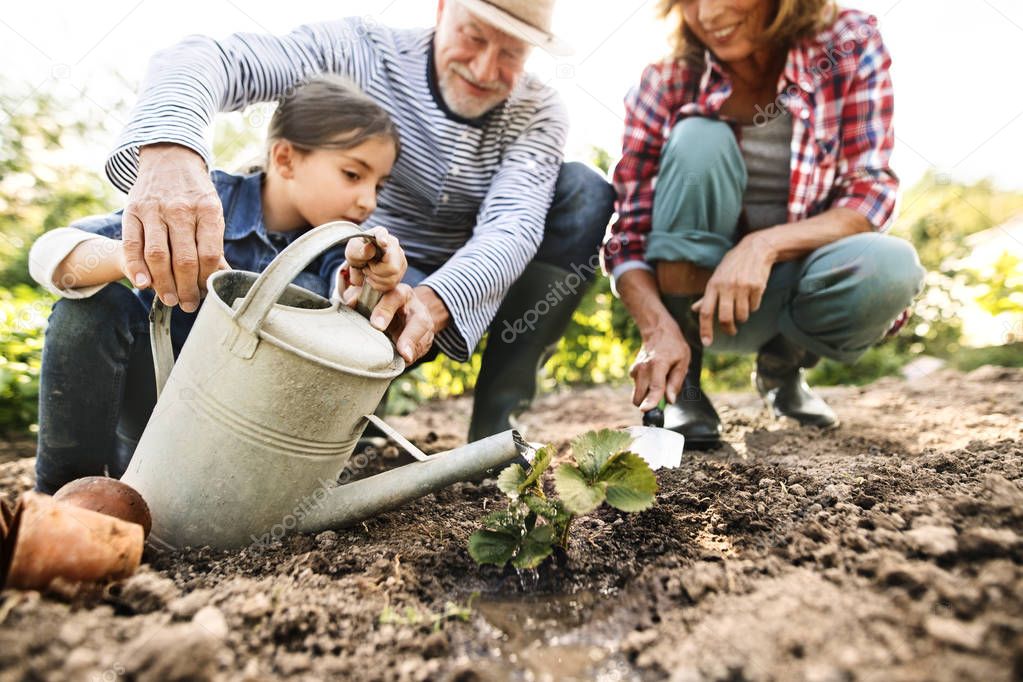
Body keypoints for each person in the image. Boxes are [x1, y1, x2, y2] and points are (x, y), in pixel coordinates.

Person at [103, 0, 617, 442]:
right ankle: (349, 396)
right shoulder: (360, 52)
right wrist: (171, 151)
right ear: (442, 9)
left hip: (454, 289)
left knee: (584, 190)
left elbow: (513, 226)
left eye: (511, 54)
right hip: (350, 274)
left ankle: (494, 429)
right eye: (473, 36)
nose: (485, 69)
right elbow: (208, 57)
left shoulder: (538, 110)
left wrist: (431, 303)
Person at [29, 75, 430, 494]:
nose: (368, 200)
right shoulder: (200, 200)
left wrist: (368, 282)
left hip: (241, 461)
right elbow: (51, 252)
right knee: (92, 306)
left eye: (378, 186)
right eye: (353, 174)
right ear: (286, 158)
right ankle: (63, 496)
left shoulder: (336, 250)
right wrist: (134, 257)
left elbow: (344, 293)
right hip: (150, 434)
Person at [603, 0, 925, 448]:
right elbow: (628, 236)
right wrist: (657, 330)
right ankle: (685, 385)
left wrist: (764, 245)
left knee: (892, 267)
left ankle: (782, 369)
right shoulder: (667, 77)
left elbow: (868, 193)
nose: (708, 15)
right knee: (699, 138)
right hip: (697, 302)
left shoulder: (848, 41)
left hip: (790, 293)